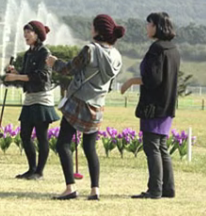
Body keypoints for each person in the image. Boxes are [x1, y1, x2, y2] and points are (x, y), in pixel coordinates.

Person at [46, 14, 125, 200]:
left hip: (79, 103)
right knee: (90, 147)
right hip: (98, 105)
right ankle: (94, 190)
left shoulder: (90, 50)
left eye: (92, 27)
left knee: (63, 143)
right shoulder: (117, 56)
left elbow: (69, 69)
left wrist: (53, 63)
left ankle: (70, 188)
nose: (91, 29)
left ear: (97, 31)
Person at [121, 12, 179, 199]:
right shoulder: (173, 49)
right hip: (168, 105)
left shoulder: (157, 49)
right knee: (161, 146)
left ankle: (155, 190)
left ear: (157, 27)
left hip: (153, 106)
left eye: (149, 24)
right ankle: (167, 189)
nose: (146, 27)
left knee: (151, 146)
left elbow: (152, 80)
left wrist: (130, 81)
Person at [4, 20, 60, 180]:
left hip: (42, 98)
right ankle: (31, 169)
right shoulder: (29, 53)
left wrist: (15, 76)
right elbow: (27, 74)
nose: (26, 35)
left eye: (29, 32)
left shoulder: (44, 53)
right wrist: (16, 72)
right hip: (29, 98)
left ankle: (39, 172)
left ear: (37, 35)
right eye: (25, 33)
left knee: (42, 136)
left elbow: (41, 77)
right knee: (25, 135)